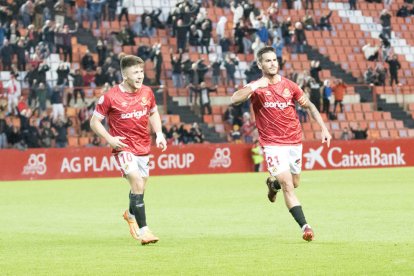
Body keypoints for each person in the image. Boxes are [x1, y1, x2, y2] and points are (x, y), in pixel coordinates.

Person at [231, 46, 332, 242]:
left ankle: (272, 184)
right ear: (260, 64)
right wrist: (254, 86)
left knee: (294, 183)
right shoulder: (257, 88)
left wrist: (323, 127)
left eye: (274, 60)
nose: (272, 63)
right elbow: (234, 99)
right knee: (288, 185)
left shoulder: (290, 86)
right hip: (272, 144)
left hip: (294, 141)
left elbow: (309, 105)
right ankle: (305, 226)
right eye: (267, 61)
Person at [90, 55, 167, 246]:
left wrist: (159, 134)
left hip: (143, 147)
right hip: (123, 148)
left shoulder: (147, 92)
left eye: (141, 72)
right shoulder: (110, 97)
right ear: (125, 75)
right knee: (137, 181)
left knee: (141, 186)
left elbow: (153, 112)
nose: (140, 76)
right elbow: (94, 122)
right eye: (135, 72)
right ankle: (144, 230)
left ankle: (130, 213)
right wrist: (110, 139)